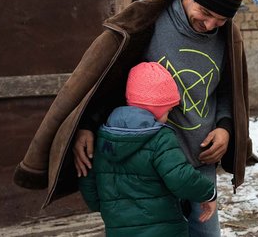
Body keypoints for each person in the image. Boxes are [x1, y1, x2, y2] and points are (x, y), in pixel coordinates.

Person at [13, 0, 251, 236]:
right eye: (205, 12)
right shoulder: (146, 23)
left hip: (200, 160)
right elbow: (108, 82)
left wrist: (225, 127)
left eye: (221, 19)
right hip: (147, 162)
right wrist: (88, 125)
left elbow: (229, 90)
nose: (209, 25)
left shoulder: (228, 36)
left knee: (205, 233)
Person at [78, 62, 217, 236]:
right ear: (157, 108)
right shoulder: (160, 138)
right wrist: (208, 194)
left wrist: (110, 209)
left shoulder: (103, 136)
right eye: (169, 110)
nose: (168, 117)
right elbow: (180, 177)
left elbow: (89, 184)